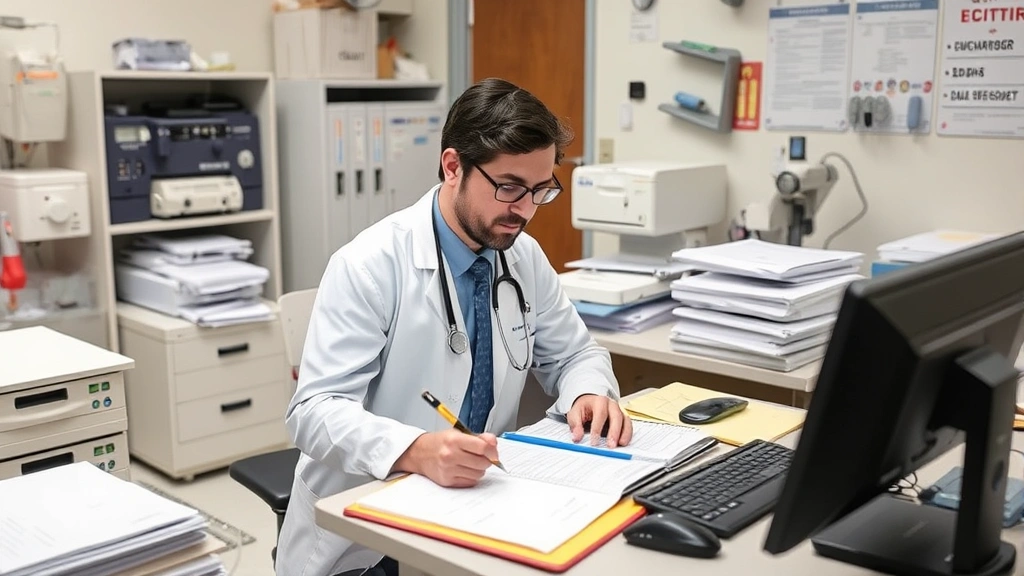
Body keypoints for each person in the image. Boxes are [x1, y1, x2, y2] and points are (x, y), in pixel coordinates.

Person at [274, 77, 633, 576]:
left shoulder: (522, 257)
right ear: (452, 167)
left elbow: (576, 355)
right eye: (509, 187)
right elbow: (313, 412)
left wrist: (586, 394)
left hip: (480, 506)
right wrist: (415, 450)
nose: (525, 210)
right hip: (369, 528)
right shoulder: (369, 264)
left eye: (540, 190)